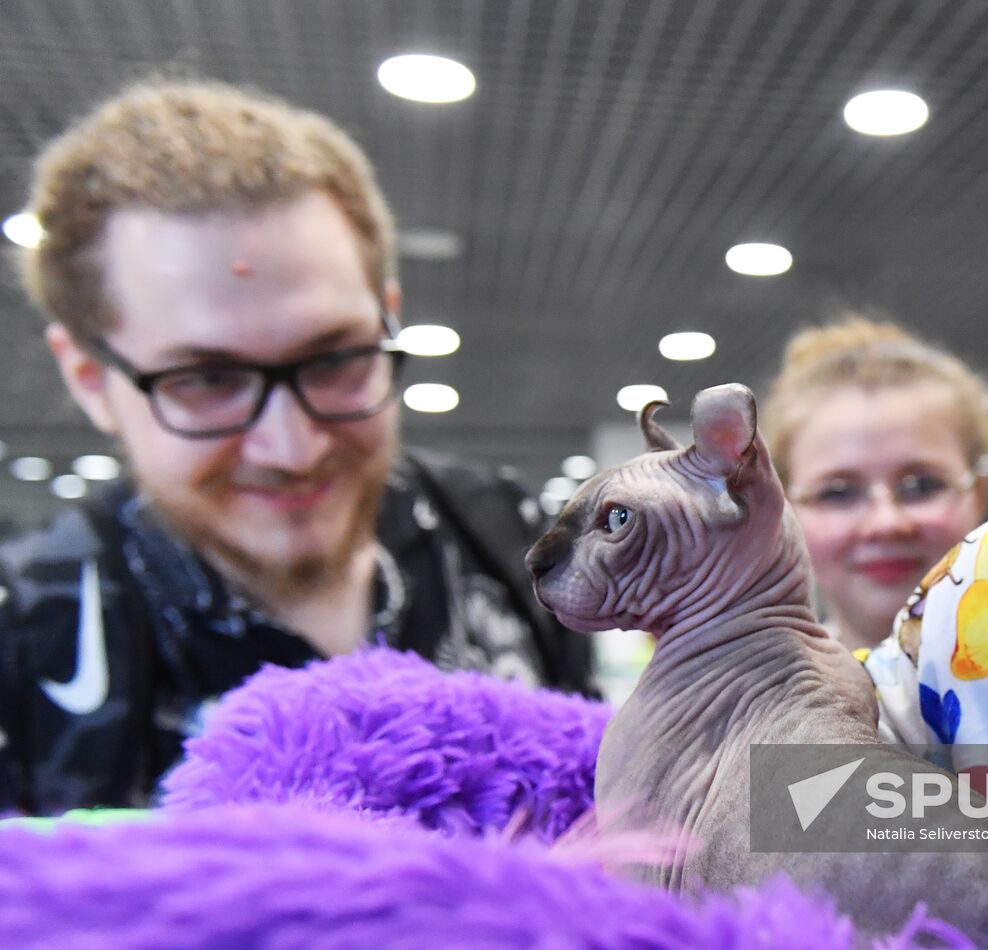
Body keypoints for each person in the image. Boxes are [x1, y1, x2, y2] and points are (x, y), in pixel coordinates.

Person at [0, 80, 593, 815]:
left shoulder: (512, 541)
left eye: (335, 357)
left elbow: (698, 810)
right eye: (208, 379)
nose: (293, 447)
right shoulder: (30, 635)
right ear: (90, 378)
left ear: (388, 318)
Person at [762, 317, 988, 650]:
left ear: (977, 493)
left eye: (922, 486)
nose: (886, 523)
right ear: (786, 514)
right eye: (837, 493)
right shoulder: (748, 700)